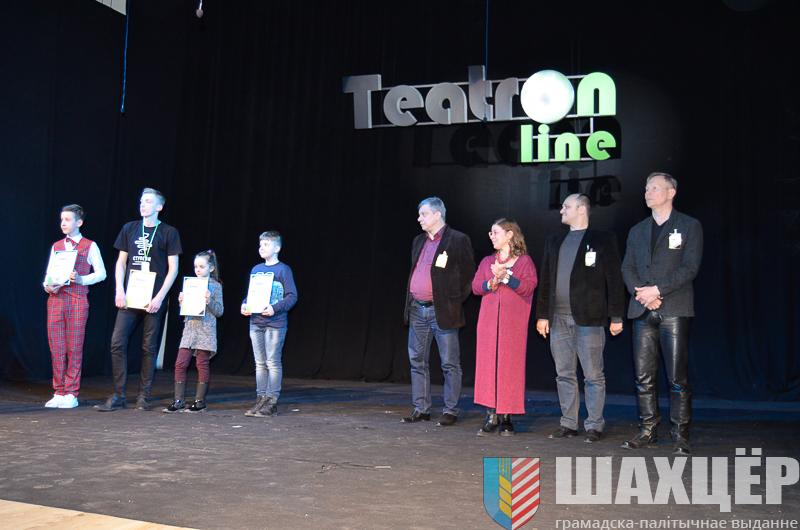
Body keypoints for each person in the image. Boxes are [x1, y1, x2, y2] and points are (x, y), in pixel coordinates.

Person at [620, 172, 703, 455]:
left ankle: (680, 434)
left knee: (677, 379)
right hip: (642, 308)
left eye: (655, 188)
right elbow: (627, 267)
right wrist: (642, 294)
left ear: (671, 192)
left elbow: (690, 268)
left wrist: (657, 291)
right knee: (643, 376)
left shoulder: (689, 225)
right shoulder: (637, 230)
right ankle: (647, 430)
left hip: (674, 308)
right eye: (646, 188)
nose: (648, 192)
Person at [534, 194, 625, 443]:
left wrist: (616, 315)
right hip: (558, 318)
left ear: (582, 209)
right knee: (564, 373)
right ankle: (568, 423)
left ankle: (594, 425)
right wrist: (542, 315)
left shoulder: (603, 239)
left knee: (593, 375)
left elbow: (614, 279)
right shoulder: (554, 240)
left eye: (566, 206)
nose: (561, 210)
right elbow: (546, 280)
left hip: (590, 318)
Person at [96, 188, 182, 411]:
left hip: (154, 298)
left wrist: (160, 297)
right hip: (131, 295)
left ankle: (144, 396)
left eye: (148, 201)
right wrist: (119, 290)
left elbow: (173, 269)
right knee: (117, 342)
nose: (143, 204)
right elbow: (121, 262)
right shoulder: (130, 228)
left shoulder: (169, 232)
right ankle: (119, 394)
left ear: (159, 207)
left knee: (148, 347)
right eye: (142, 201)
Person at [403, 197, 475, 426]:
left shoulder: (458, 239)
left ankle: (450, 410)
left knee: (449, 363)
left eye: (423, 214)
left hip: (443, 311)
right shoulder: (418, 241)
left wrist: (452, 302)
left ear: (437, 215)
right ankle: (421, 408)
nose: (419, 218)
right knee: (417, 360)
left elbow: (468, 276)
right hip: (417, 309)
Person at [472, 219, 537, 436]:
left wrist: (506, 276)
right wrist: (491, 283)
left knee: (510, 367)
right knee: (488, 366)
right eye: (490, 233)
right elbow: (476, 287)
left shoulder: (524, 262)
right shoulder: (487, 261)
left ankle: (507, 416)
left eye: (495, 232)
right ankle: (491, 414)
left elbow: (528, 287)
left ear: (509, 235)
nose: (491, 236)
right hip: (488, 324)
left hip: (513, 325)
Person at [43, 204, 107, 409]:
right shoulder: (57, 246)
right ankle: (58, 391)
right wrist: (48, 285)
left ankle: (71, 392)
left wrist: (81, 279)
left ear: (79, 222)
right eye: (62, 219)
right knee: (57, 347)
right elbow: (49, 274)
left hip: (77, 300)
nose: (63, 223)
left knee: (74, 347)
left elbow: (102, 273)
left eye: (68, 220)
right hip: (56, 299)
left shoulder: (89, 245)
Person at [241, 231, 298, 418]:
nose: (261, 248)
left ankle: (271, 401)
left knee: (272, 362)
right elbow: (251, 294)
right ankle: (261, 399)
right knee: (259, 363)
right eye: (260, 244)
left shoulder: (283, 270)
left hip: (275, 323)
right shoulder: (256, 269)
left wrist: (275, 308)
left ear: (277, 248)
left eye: (266, 244)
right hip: (256, 322)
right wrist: (245, 305)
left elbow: (292, 296)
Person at [163, 250, 224, 413]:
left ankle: (199, 401)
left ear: (211, 268)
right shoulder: (190, 283)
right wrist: (182, 302)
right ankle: (178, 400)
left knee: (201, 364)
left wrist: (209, 301)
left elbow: (219, 311)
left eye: (202, 267)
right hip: (190, 330)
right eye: (196, 266)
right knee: (180, 364)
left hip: (205, 330)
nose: (198, 269)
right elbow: (187, 310)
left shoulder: (215, 286)